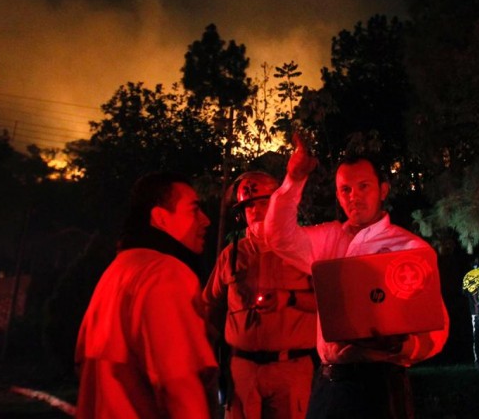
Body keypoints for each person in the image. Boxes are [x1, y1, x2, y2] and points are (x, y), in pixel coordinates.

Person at [264, 134, 449, 419]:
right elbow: (277, 236)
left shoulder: (409, 248)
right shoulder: (327, 239)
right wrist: (294, 178)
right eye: (345, 190)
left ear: (383, 190)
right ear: (338, 195)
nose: (354, 196)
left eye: (364, 186)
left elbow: (437, 326)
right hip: (331, 384)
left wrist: (404, 346)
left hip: (383, 385)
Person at [75, 171, 218, 419]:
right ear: (160, 218)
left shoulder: (117, 270)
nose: (205, 220)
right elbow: (179, 383)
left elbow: (82, 364)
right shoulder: (165, 273)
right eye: (194, 210)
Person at [203, 171, 317, 419]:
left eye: (263, 202)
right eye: (248, 205)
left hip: (291, 370)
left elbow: (328, 303)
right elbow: (209, 307)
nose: (254, 210)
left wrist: (290, 298)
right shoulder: (232, 254)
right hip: (242, 371)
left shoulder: (304, 248)